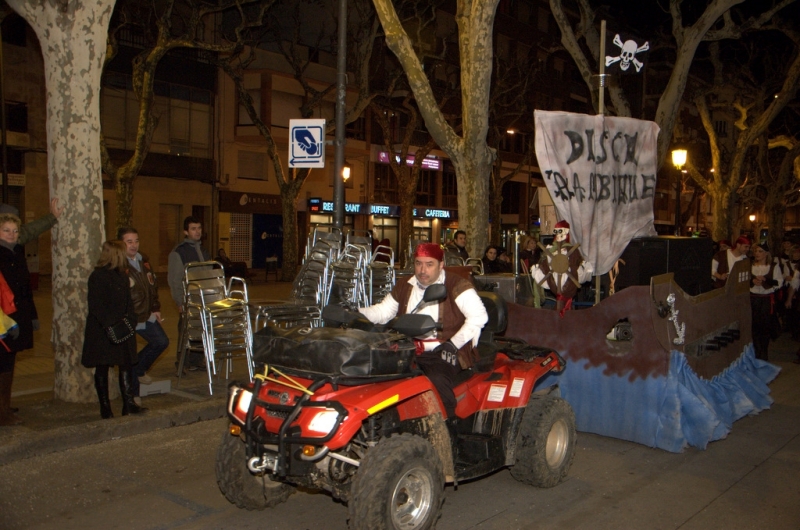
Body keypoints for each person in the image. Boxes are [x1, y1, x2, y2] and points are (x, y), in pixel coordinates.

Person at [358, 243, 488, 426]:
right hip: (408, 349)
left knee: (437, 381)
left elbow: (479, 317)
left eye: (429, 264)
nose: (422, 270)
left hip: (445, 350)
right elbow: (383, 312)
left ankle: (447, 427)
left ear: (441, 265)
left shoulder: (457, 285)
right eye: (418, 263)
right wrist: (357, 314)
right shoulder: (405, 285)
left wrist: (452, 344)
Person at [81, 241, 145, 419]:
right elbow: (96, 305)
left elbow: (128, 302)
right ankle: (105, 408)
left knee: (126, 365)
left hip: (123, 326)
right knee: (102, 367)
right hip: (103, 330)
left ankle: (128, 404)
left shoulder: (122, 275)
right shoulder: (98, 276)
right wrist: (110, 325)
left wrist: (130, 320)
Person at [118, 227, 169, 403]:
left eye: (136, 241)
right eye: (129, 242)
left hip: (146, 314)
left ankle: (139, 370)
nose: (134, 245)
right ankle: (134, 395)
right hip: (129, 316)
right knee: (130, 355)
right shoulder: (119, 264)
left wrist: (155, 307)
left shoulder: (144, 261)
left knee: (161, 342)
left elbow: (152, 286)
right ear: (121, 244)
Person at [0, 213, 38, 426]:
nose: (11, 234)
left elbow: (25, 289)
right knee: (3, 362)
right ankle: (2, 412)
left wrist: (32, 316)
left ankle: (4, 405)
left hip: (18, 315)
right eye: (6, 230)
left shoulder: (17, 253)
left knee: (9, 361)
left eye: (15, 231)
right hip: (3, 319)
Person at [168, 216, 210, 372]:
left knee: (200, 329)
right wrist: (179, 301)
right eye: (193, 229)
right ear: (186, 232)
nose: (197, 231)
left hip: (203, 297)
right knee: (185, 330)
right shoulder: (179, 252)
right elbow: (174, 279)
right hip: (188, 298)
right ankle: (182, 362)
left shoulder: (204, 251)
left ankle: (197, 360)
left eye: (199, 228)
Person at [531, 220, 593, 314]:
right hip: (554, 281)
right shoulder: (551, 249)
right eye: (555, 231)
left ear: (566, 232)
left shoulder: (571, 251)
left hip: (566, 282)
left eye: (560, 231)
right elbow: (544, 264)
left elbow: (576, 264)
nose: (557, 234)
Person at [750, 243, 783, 361]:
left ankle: (763, 353)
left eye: (760, 251)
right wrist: (752, 281)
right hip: (753, 298)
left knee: (764, 326)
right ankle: (756, 352)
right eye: (756, 251)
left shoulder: (773, 266)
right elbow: (742, 281)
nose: (757, 253)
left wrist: (765, 280)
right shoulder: (749, 265)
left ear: (766, 254)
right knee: (754, 326)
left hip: (766, 299)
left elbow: (779, 282)